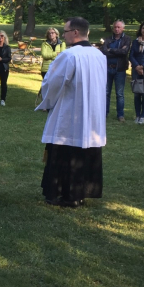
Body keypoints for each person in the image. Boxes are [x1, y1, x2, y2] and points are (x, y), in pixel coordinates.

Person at [36, 17, 106, 207]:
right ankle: (80, 193)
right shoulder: (99, 55)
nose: (63, 35)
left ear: (75, 32)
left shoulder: (69, 55)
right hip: (92, 114)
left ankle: (62, 193)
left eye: (65, 31)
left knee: (66, 151)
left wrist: (47, 101)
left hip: (70, 112)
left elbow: (54, 82)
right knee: (84, 150)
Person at [100, 20, 131, 123]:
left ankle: (120, 115)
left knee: (119, 93)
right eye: (115, 27)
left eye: (119, 27)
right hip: (107, 68)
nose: (116, 29)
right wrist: (116, 51)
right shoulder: (108, 39)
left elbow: (124, 52)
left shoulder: (126, 39)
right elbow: (104, 51)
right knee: (106, 92)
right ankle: (104, 113)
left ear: (123, 28)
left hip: (120, 69)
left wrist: (111, 50)